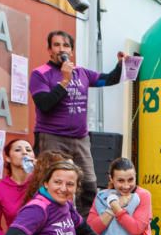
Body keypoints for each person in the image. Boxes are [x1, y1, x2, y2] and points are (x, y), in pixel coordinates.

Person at [28, 30, 125, 214]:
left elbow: (108, 80)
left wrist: (121, 65)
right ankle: (49, 223)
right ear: (49, 50)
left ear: (71, 51)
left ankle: (80, 229)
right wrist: (64, 81)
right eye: (56, 45)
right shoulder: (40, 74)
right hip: (52, 137)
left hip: (80, 139)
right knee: (50, 185)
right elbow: (44, 104)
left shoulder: (82, 73)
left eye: (65, 45)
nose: (61, 49)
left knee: (89, 185)